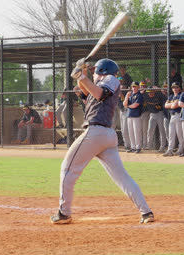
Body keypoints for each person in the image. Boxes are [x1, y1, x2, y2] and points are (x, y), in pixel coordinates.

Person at [50, 58, 154, 224]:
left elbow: (99, 93)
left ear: (103, 71)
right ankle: (146, 212)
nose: (94, 74)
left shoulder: (111, 79)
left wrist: (82, 77)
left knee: (67, 170)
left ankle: (64, 213)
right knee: (122, 177)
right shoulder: (99, 83)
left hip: (96, 132)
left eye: (95, 71)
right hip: (105, 135)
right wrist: (81, 73)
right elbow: (86, 91)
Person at [163, 82, 184, 156]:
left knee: (179, 133)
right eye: (173, 87)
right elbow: (165, 105)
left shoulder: (180, 95)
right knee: (171, 134)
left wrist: (171, 105)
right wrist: (172, 105)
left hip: (178, 115)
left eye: (176, 87)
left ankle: (181, 149)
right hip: (172, 116)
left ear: (179, 88)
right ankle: (170, 150)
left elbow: (175, 106)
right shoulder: (171, 96)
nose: (175, 89)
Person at [124, 81, 143, 153]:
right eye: (132, 86)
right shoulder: (130, 95)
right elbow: (124, 104)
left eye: (135, 86)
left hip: (136, 115)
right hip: (129, 115)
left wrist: (128, 106)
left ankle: (138, 147)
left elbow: (135, 105)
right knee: (131, 132)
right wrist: (126, 96)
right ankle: (133, 147)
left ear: (138, 87)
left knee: (136, 132)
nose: (134, 88)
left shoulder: (139, 95)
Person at [118, 78, 131, 150]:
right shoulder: (118, 92)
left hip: (127, 111)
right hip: (121, 111)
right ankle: (126, 145)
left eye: (122, 83)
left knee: (126, 129)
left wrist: (121, 94)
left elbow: (125, 102)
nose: (121, 87)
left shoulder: (127, 92)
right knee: (123, 129)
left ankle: (130, 145)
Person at [139, 81, 150, 149]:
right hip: (138, 114)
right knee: (139, 130)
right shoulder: (138, 94)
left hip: (146, 112)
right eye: (141, 86)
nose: (142, 87)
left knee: (145, 130)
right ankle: (140, 144)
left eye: (143, 86)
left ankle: (145, 144)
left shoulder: (147, 94)